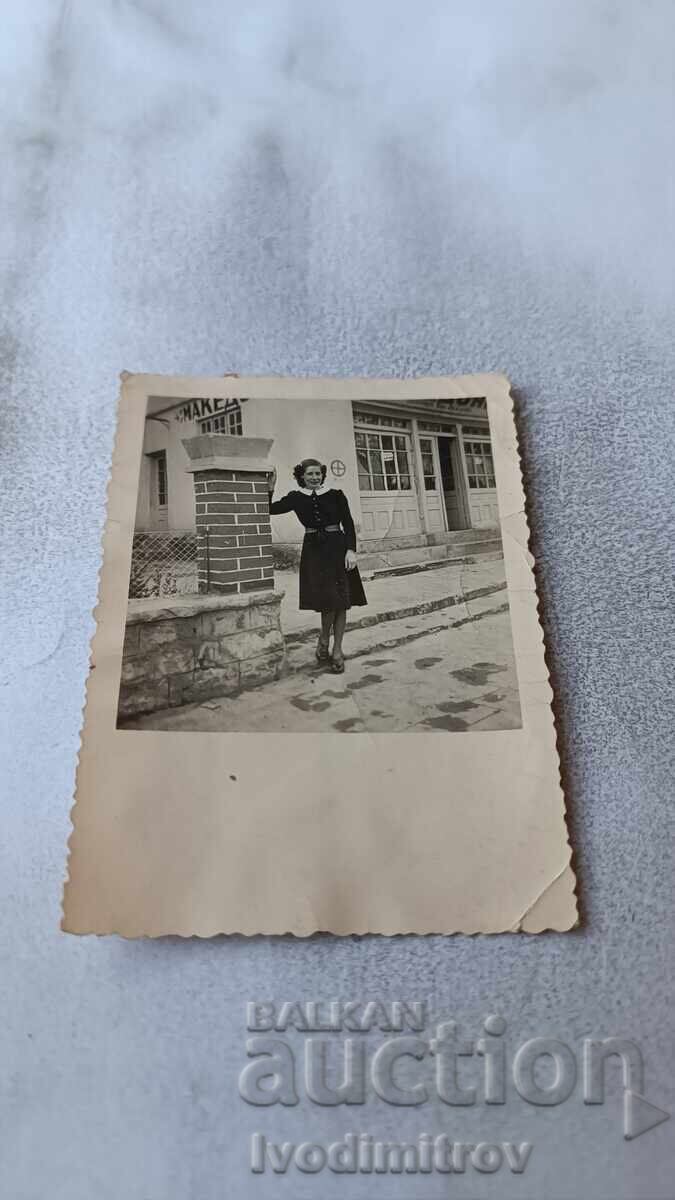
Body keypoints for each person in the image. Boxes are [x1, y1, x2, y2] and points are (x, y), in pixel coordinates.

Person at [267, 458, 367, 673]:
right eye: (310, 474)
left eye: (318, 473)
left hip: (338, 549)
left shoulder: (336, 495)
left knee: (341, 601)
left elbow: (348, 523)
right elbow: (269, 509)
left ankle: (336, 649)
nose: (314, 477)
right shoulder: (295, 498)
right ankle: (323, 638)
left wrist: (351, 550)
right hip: (315, 551)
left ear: (322, 475)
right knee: (328, 601)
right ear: (301, 476)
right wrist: (271, 487)